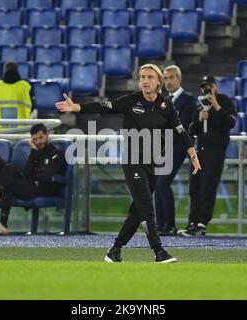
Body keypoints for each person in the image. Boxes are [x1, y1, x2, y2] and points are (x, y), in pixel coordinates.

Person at [56, 64, 201, 263]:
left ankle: (114, 250)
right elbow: (103, 106)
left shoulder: (166, 105)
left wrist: (192, 154)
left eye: (150, 77)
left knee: (137, 211)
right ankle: (159, 251)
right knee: (147, 208)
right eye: (143, 77)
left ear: (158, 82)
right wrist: (77, 107)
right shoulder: (131, 101)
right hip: (133, 161)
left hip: (153, 163)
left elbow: (180, 130)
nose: (145, 80)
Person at [0, 123, 66, 235]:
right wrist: (33, 152)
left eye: (41, 137)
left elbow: (47, 175)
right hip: (31, 185)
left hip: (46, 187)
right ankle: (1, 216)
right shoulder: (35, 152)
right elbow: (27, 172)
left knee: (9, 185)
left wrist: (31, 177)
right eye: (35, 139)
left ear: (47, 136)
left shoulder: (56, 153)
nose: (39, 142)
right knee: (9, 168)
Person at [181, 76, 237, 237]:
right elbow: (191, 129)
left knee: (208, 186)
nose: (206, 90)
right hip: (200, 149)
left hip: (216, 149)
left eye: (209, 86)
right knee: (195, 187)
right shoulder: (199, 104)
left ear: (215, 86)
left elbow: (231, 122)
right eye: (204, 87)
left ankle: (202, 223)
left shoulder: (225, 101)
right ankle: (193, 221)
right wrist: (199, 120)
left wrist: (217, 107)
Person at [154, 65, 195, 236]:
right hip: (161, 149)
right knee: (157, 185)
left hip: (177, 148)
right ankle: (161, 224)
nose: (168, 82)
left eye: (171, 77)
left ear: (179, 79)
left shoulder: (188, 100)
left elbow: (182, 126)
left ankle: (169, 224)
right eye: (166, 78)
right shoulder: (162, 100)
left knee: (163, 183)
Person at [0, 61, 34, 131]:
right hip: (22, 131)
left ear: (4, 71)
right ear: (17, 70)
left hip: (1, 132)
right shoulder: (25, 86)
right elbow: (32, 108)